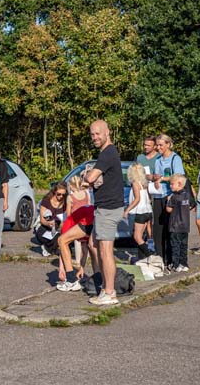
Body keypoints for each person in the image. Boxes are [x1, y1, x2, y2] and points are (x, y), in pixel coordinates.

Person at [83, 120, 125, 306]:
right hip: (103, 207)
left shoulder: (108, 153)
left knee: (106, 251)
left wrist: (88, 176)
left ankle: (110, 292)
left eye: (98, 133)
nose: (95, 137)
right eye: (92, 134)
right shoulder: (105, 153)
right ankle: (103, 285)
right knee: (93, 244)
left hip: (108, 208)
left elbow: (90, 177)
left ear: (107, 132)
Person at [150, 134, 186, 268]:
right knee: (158, 229)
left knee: (170, 228)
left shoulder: (175, 159)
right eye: (157, 145)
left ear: (168, 144)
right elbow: (156, 176)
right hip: (159, 196)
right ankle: (160, 259)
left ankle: (172, 259)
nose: (158, 147)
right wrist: (154, 178)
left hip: (171, 196)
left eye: (161, 145)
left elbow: (179, 178)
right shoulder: (158, 160)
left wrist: (163, 179)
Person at [57, 203, 97, 292]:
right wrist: (81, 268)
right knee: (93, 249)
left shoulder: (68, 223)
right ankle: (98, 280)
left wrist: (61, 269)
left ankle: (71, 280)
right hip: (97, 216)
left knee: (62, 240)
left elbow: (62, 247)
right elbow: (85, 251)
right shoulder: (77, 228)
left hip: (89, 218)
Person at [123, 163, 153, 262]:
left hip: (140, 212)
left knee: (137, 237)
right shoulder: (144, 183)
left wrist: (127, 209)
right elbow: (148, 197)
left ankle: (150, 255)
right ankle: (141, 257)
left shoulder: (135, 183)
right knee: (142, 237)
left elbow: (137, 199)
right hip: (147, 211)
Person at [136, 136, 160, 245]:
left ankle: (155, 241)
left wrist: (153, 177)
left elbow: (162, 175)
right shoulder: (140, 158)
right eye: (144, 145)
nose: (145, 147)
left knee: (154, 218)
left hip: (156, 191)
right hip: (143, 191)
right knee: (145, 218)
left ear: (155, 146)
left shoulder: (159, 158)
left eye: (148, 145)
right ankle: (147, 242)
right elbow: (136, 173)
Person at [166, 174, 192, 272]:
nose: (170, 186)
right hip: (185, 226)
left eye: (172, 184)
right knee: (183, 245)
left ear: (179, 184)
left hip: (175, 225)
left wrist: (167, 201)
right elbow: (190, 206)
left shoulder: (174, 197)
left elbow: (168, 209)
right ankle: (184, 263)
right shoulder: (187, 195)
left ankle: (175, 264)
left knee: (175, 245)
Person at [35, 182, 67, 257]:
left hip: (60, 228)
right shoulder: (46, 200)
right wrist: (48, 223)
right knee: (45, 235)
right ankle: (55, 248)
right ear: (54, 191)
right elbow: (42, 220)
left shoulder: (66, 201)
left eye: (63, 194)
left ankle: (49, 248)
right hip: (46, 227)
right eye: (59, 194)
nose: (61, 196)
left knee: (61, 237)